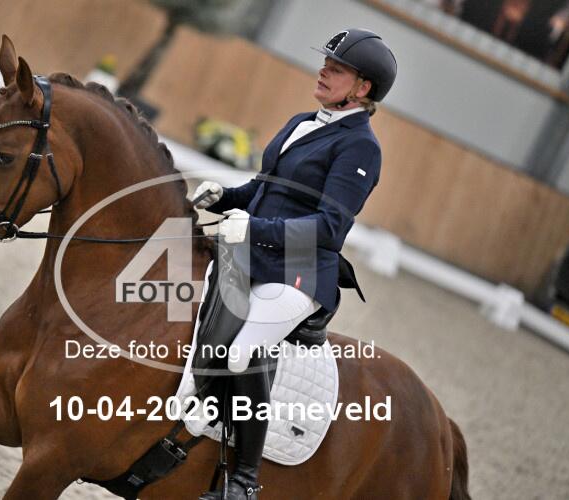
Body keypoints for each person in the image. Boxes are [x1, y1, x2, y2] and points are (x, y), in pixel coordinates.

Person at [193, 29, 397, 500]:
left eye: (336, 69)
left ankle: (244, 481)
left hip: (300, 272)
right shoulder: (303, 121)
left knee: (243, 353)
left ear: (362, 88)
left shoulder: (361, 147)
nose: (323, 71)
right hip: (254, 256)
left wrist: (253, 229)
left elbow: (329, 227)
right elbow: (263, 189)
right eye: (326, 62)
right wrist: (224, 197)